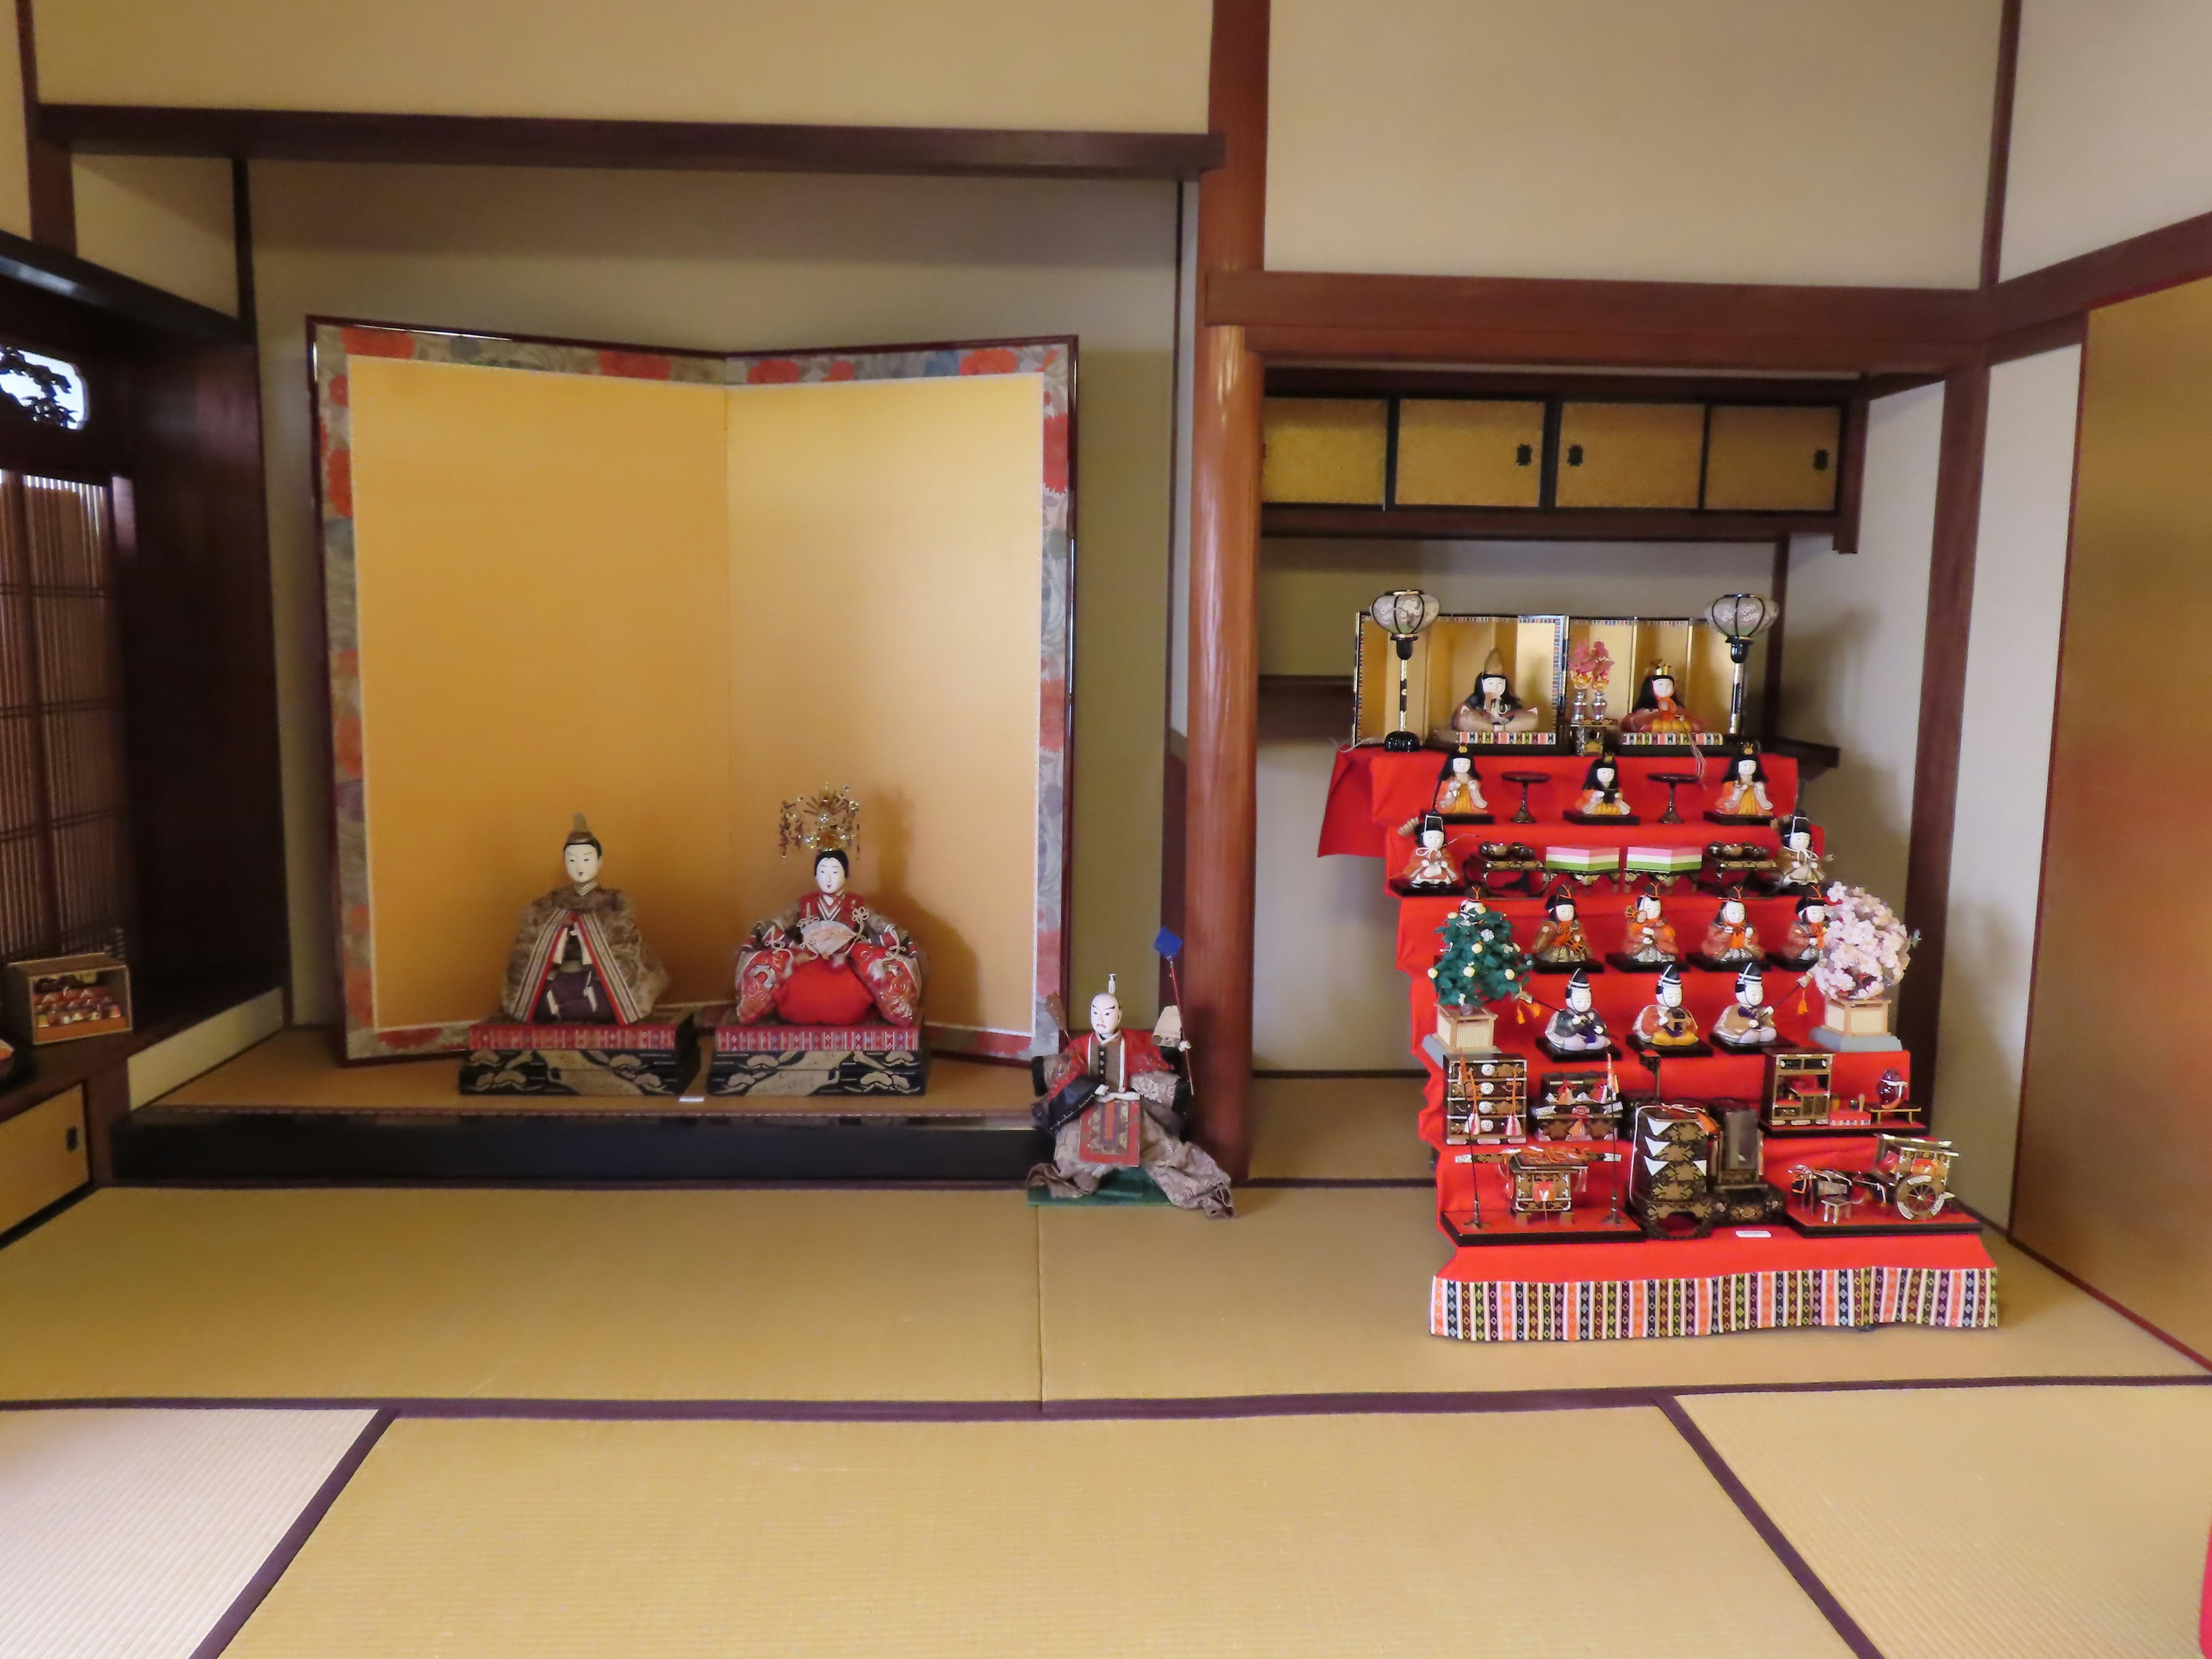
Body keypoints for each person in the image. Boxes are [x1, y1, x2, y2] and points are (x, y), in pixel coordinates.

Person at [1029, 976, 1233, 1217]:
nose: (1101, 1020)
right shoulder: (1080, 1045)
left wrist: (1175, 1049)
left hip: (1130, 1105)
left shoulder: (1134, 1041)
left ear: (1120, 1015)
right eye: (1095, 1013)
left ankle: (1200, 1186)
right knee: (1075, 1162)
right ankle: (1081, 1177)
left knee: (1163, 1150)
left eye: (1107, 1013)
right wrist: (1089, 1087)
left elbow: (1156, 1053)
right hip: (1090, 1108)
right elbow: (1066, 1070)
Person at [734, 790, 924, 1025]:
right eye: (822, 871)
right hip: (808, 960)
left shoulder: (855, 904)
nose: (829, 878)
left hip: (844, 962)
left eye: (835, 871)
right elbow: (776, 925)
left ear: (847, 874)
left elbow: (881, 926)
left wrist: (892, 937)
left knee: (875, 962)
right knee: (774, 962)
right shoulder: (804, 904)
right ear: (815, 874)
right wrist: (790, 944)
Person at [500, 815, 668, 1024]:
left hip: (600, 976)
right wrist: (555, 930)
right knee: (522, 974)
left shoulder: (615, 901)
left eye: (587, 859)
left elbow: (623, 935)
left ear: (600, 862)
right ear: (565, 862)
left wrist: (586, 930)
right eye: (572, 860)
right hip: (559, 972)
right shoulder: (550, 902)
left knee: (628, 974)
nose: (579, 865)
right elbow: (531, 929)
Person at [1452, 648, 1539, 737]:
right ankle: (1491, 729)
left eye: (1500, 683)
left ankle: (1504, 729)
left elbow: (1519, 712)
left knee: (1532, 718)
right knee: (1467, 718)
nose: (1496, 687)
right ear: (1482, 683)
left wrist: (1506, 718)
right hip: (1484, 725)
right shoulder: (1476, 700)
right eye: (1491, 683)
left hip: (1507, 726)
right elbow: (1464, 713)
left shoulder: (1510, 701)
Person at [1618, 661, 1710, 739]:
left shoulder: (1677, 709)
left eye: (1669, 685)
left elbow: (1701, 725)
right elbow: (1627, 724)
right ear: (1650, 688)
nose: (1665, 688)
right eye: (1661, 685)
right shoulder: (1645, 710)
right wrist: (1656, 715)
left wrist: (1682, 714)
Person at [1631, 963, 1703, 1052]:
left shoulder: (1683, 1010)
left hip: (1680, 1036)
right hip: (1662, 1034)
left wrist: (1688, 1023)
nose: (1674, 1000)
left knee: (1689, 1037)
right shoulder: (1653, 1010)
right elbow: (1648, 1027)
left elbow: (1694, 1029)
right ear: (1659, 994)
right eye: (1670, 997)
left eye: (1678, 997)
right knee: (1660, 1038)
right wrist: (1659, 1022)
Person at [1541, 967, 1611, 1057]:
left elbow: (1598, 1022)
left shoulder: (1592, 1013)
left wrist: (1601, 1029)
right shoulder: (1564, 1013)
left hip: (1591, 1036)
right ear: (1569, 997)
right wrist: (1573, 1022)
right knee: (1575, 1043)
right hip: (1574, 1036)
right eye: (1579, 1001)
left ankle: (1590, 1044)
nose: (1583, 1004)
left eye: (1587, 1001)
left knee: (1602, 1041)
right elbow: (1562, 1024)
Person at [1712, 961, 1779, 1050]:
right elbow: (1734, 1020)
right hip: (1740, 1028)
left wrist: (1767, 1012)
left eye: (1761, 993)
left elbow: (1762, 1017)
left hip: (1757, 1027)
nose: (1758, 997)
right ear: (1741, 991)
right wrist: (1748, 1023)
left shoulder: (1757, 1008)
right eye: (1753, 994)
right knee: (1750, 1036)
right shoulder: (1735, 1009)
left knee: (1771, 1033)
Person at [1531, 887, 1594, 970]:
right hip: (1555, 947)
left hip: (1572, 946)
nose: (1568, 914)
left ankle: (1574, 959)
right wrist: (1550, 936)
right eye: (1563, 911)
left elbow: (1581, 934)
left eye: (1571, 911)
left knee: (1577, 952)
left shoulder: (1575, 924)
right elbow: (1541, 944)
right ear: (1554, 911)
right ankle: (1561, 959)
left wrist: (1579, 938)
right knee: (1560, 952)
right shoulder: (1550, 925)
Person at [1710, 742, 1774, 819]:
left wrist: (1759, 791)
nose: (1749, 768)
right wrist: (1739, 791)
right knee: (1728, 811)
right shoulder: (1730, 784)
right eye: (1745, 765)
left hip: (1756, 810)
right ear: (1736, 767)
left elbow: (1765, 804)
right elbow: (1730, 804)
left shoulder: (1759, 785)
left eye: (1753, 765)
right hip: (1736, 809)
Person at [1700, 891, 1763, 967]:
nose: (1738, 917)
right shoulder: (1717, 926)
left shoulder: (1747, 927)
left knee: (1754, 954)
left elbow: (1755, 940)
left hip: (1742, 949)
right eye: (1733, 913)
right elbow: (1712, 938)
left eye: (1741, 913)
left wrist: (1748, 937)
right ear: (1724, 913)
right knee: (1719, 955)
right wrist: (1725, 933)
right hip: (1723, 949)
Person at [1399, 815, 1461, 889]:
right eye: (1430, 837)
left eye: (1439, 838)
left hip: (1441, 875)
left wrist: (1446, 865)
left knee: (1444, 881)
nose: (1434, 841)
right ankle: (1424, 882)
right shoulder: (1420, 851)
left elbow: (1449, 863)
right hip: (1424, 874)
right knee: (1422, 881)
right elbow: (1415, 861)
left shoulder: (1444, 852)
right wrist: (1422, 864)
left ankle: (1440, 882)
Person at [1619, 889, 1680, 966]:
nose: (1653, 912)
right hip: (1640, 945)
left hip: (1659, 946)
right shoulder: (1635, 923)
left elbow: (1669, 938)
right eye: (1649, 909)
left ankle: (1663, 957)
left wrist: (1655, 936)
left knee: (1670, 949)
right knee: (1632, 946)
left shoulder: (1661, 924)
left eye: (1657, 909)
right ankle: (1643, 957)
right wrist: (1643, 938)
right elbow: (1632, 936)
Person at [1770, 815, 1825, 893]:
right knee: (1790, 880)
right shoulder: (1785, 851)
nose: (1803, 841)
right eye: (1799, 838)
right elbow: (1781, 861)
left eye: (1806, 838)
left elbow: (1816, 862)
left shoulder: (1810, 853)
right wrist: (1793, 865)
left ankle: (1809, 884)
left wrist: (1814, 865)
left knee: (1812, 880)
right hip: (1792, 873)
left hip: (1807, 875)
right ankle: (1793, 884)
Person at [1571, 753, 1634, 818]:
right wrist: (1597, 794)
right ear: (1595, 773)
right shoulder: (1592, 787)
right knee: (1588, 809)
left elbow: (1620, 794)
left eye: (1611, 773)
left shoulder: (1616, 787)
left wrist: (1617, 796)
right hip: (1597, 804)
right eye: (1603, 773)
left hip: (1612, 805)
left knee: (1623, 809)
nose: (1607, 776)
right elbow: (1587, 794)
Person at [1776, 893, 1828, 967]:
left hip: (1819, 948)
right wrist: (1809, 941)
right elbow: (1794, 938)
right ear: (1803, 913)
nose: (1818, 916)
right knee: (1808, 954)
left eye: (1822, 913)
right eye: (1814, 913)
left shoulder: (1821, 927)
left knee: (1825, 953)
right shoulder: (1798, 926)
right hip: (1803, 950)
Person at [1433, 751, 1488, 817]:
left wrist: (1474, 791)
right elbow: (1443, 805)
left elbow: (1482, 805)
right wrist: (1453, 792)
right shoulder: (1446, 782)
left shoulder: (1474, 782)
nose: (1463, 766)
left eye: (1467, 763)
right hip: (1450, 813)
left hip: (1472, 814)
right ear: (1451, 764)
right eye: (1459, 763)